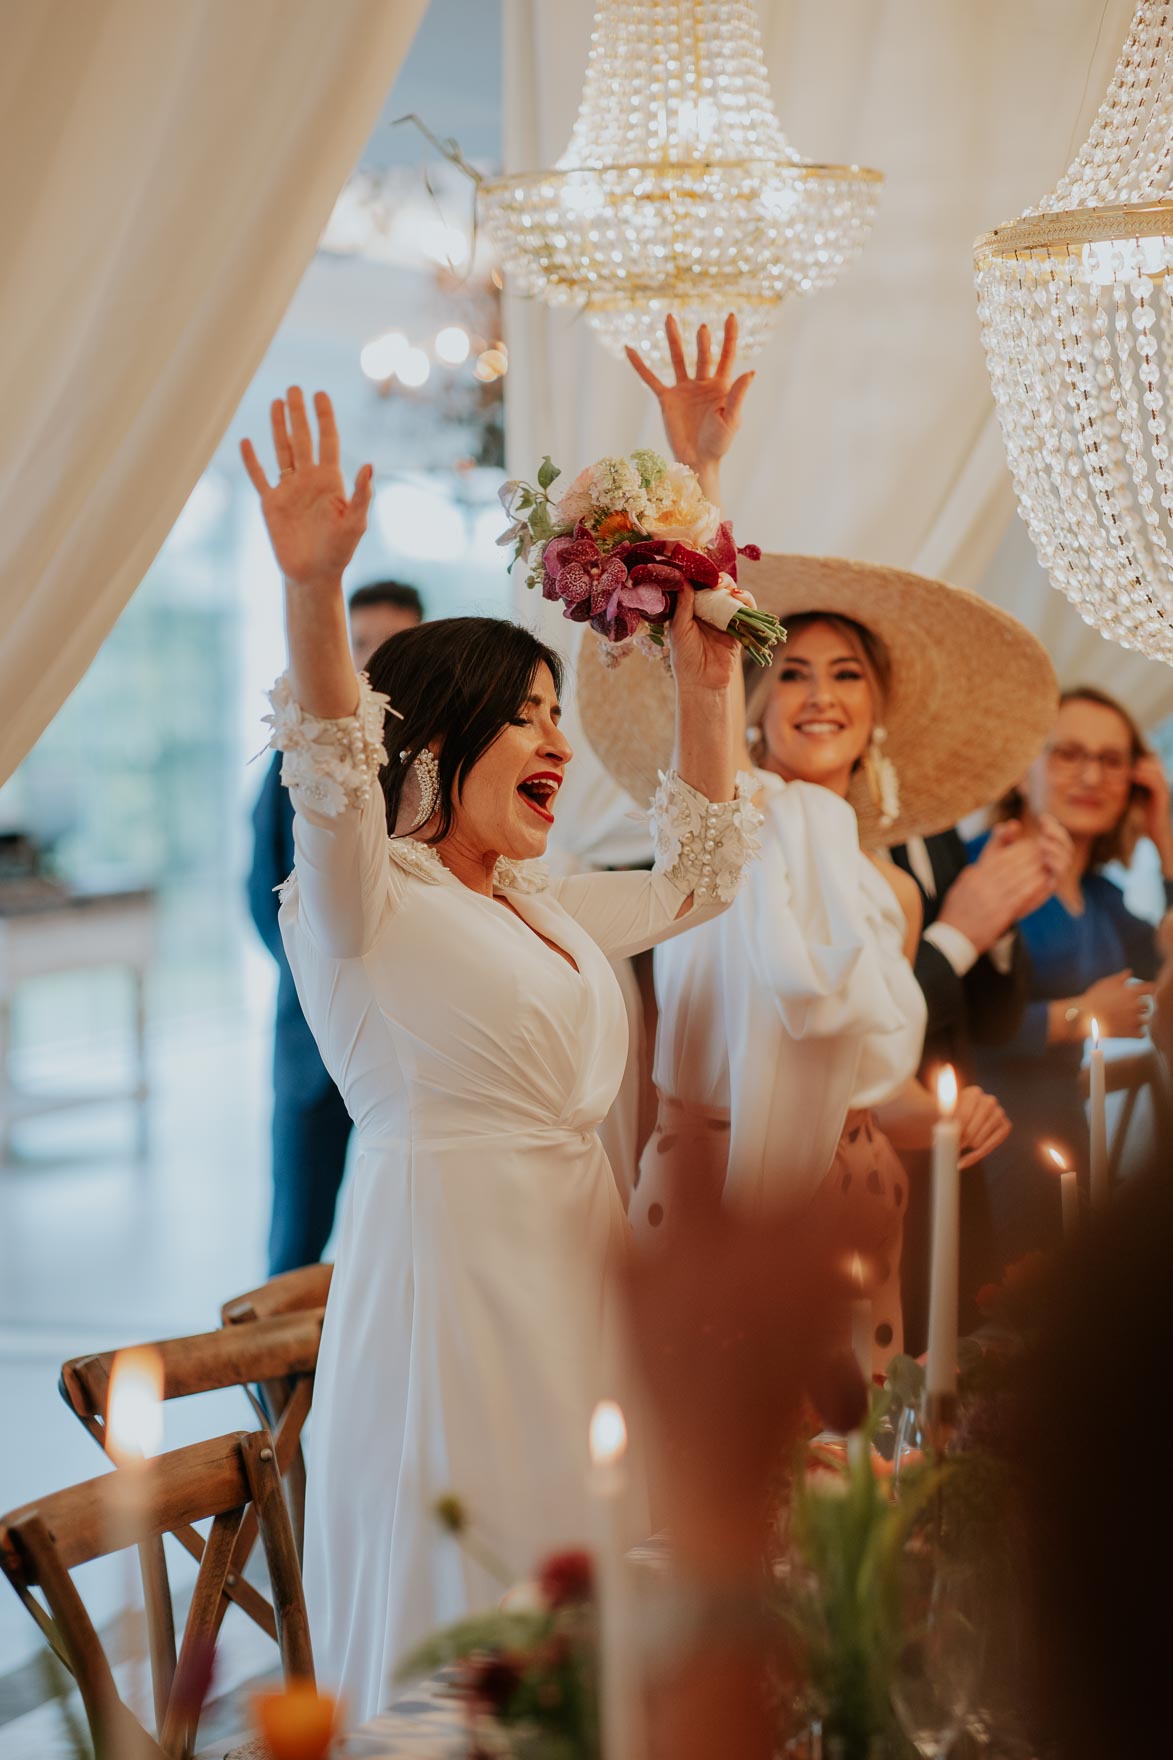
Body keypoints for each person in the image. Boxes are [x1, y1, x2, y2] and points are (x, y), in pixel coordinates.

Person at [239, 387, 762, 1718]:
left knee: (587, 1592)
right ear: (439, 735)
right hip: (449, 1279)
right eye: (529, 715)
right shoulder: (362, 900)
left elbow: (699, 881)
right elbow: (331, 772)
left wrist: (708, 649)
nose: (559, 743)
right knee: (471, 1596)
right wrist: (315, 593)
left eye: (555, 712)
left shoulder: (532, 898)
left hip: (579, 1265)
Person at [584, 316, 1056, 1368]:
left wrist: (939, 1117)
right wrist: (701, 467)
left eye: (845, 673)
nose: (818, 694)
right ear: (750, 703)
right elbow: (697, 639)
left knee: (851, 1492)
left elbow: (853, 1074)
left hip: (862, 1193)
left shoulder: (878, 872)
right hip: (715, 1184)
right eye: (790, 670)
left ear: (878, 708)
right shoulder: (733, 810)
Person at [247, 579, 424, 1276]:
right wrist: (320, 979)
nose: (372, 658)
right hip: (309, 1041)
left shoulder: (433, 751)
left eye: (392, 643)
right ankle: (282, 1386)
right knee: (293, 1241)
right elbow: (259, 885)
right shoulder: (303, 748)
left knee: (396, 1241)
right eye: (360, 643)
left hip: (406, 1037)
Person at [969, 685, 1173, 1265]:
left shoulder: (1100, 897)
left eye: (1112, 761)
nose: (1092, 775)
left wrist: (1164, 838)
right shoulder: (987, 869)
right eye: (1068, 754)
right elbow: (951, 1021)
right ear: (1020, 768)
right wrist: (1079, 1016)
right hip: (992, 1141)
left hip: (1066, 1136)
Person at [889, 819, 1070, 1349]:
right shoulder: (832, 835)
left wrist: (1001, 916)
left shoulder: (937, 829)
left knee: (956, 1349)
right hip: (877, 1139)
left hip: (960, 1143)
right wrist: (959, 935)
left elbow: (993, 1022)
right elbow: (869, 1018)